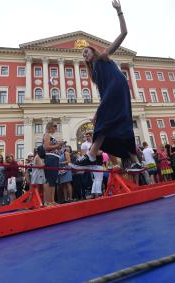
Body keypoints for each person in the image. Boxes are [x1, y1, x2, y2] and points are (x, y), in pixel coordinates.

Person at [71, 0, 141, 171]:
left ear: (93, 51)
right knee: (119, 125)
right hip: (115, 93)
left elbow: (124, 33)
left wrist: (119, 11)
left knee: (105, 120)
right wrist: (97, 112)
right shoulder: (94, 74)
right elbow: (104, 94)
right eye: (82, 54)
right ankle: (135, 161)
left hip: (118, 88)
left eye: (86, 51)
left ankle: (91, 155)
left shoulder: (103, 57)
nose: (84, 54)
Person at [43, 121, 65, 206]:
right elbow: (46, 147)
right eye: (55, 126)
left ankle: (52, 200)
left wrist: (60, 147)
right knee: (49, 180)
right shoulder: (47, 135)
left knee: (53, 180)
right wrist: (58, 145)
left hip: (55, 158)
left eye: (56, 126)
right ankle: (48, 201)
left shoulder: (52, 136)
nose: (56, 127)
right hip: (50, 158)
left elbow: (53, 148)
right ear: (50, 127)